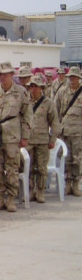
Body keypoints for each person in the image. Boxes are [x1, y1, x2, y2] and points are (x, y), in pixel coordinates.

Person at [0, 61, 32, 212]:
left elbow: (27, 116)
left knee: (12, 168)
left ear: (12, 74)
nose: (2, 77)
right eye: (0, 74)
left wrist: (25, 136)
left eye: (5, 74)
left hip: (12, 136)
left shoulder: (21, 92)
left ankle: (11, 198)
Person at [26, 75, 60, 203]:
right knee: (28, 167)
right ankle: (30, 190)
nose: (34, 89)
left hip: (42, 140)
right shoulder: (25, 102)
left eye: (36, 86)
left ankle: (40, 191)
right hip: (28, 140)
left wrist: (53, 139)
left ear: (41, 87)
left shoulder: (48, 103)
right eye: (32, 86)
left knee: (41, 168)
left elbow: (54, 122)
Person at [56, 66, 82, 196]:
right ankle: (67, 183)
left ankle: (76, 184)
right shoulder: (62, 92)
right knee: (65, 158)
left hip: (78, 132)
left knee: (77, 159)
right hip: (64, 131)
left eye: (75, 77)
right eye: (71, 77)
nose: (72, 79)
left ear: (79, 78)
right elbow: (55, 110)